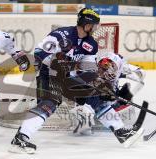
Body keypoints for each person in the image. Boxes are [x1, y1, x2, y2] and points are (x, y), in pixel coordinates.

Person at [9, 8, 100, 154]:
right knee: (49, 104)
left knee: (95, 93)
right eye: (93, 25)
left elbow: (88, 68)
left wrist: (90, 78)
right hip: (48, 75)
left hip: (69, 78)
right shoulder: (61, 35)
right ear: (85, 23)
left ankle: (86, 122)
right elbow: (39, 52)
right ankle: (21, 137)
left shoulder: (91, 44)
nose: (95, 28)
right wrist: (55, 65)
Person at [69, 52, 145, 147]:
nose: (108, 73)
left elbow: (141, 74)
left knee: (103, 103)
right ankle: (83, 121)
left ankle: (121, 132)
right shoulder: (88, 69)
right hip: (79, 95)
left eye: (113, 69)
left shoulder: (118, 67)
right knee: (85, 116)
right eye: (104, 69)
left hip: (96, 96)